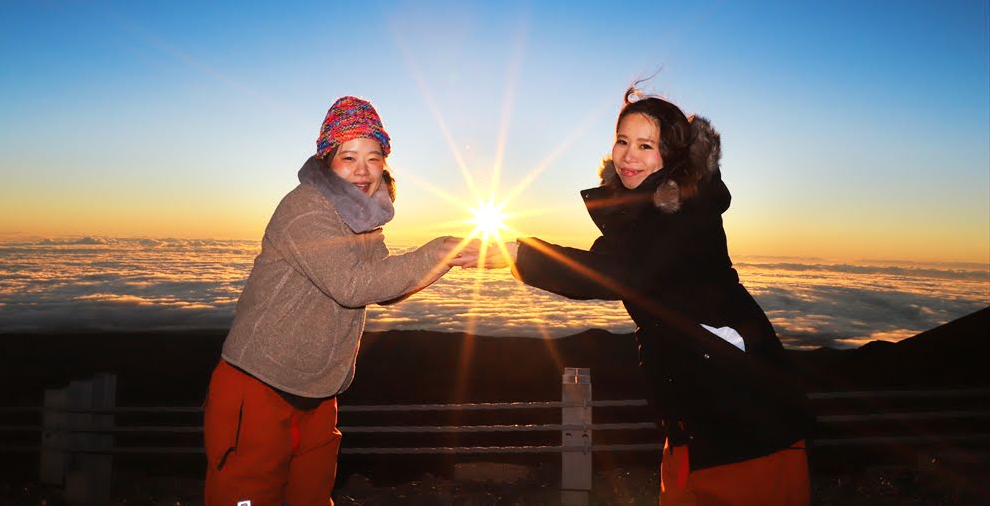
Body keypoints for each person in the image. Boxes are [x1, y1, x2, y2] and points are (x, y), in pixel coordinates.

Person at [482, 87, 814, 506]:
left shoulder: (690, 211)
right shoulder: (641, 218)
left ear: (671, 155)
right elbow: (601, 265)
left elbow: (621, 275)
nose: (628, 156)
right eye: (622, 141)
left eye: (645, 145)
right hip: (693, 426)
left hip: (750, 424)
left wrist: (516, 254)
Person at [203, 95, 475, 506]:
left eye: (374, 156)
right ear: (327, 160)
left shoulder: (364, 219)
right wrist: (439, 252)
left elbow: (381, 286)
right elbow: (353, 285)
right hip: (258, 386)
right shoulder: (306, 208)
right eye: (349, 157)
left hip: (317, 393)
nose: (363, 171)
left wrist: (450, 260)